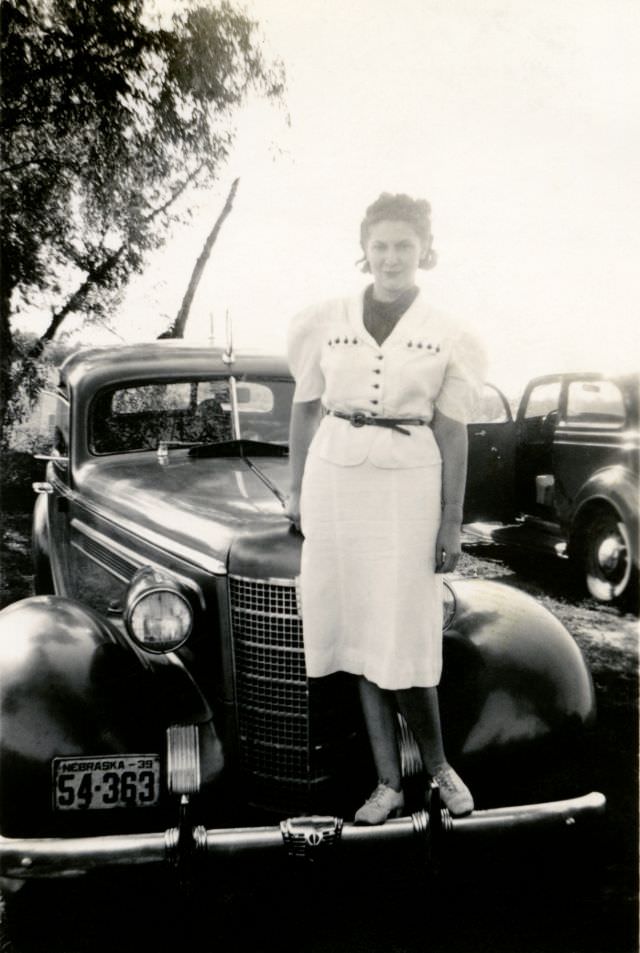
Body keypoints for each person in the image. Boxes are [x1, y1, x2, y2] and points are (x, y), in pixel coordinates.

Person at [285, 193, 486, 824]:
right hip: (336, 480)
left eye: (404, 245)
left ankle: (439, 767)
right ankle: (386, 783)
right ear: (364, 249)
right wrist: (296, 492)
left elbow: (453, 431)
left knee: (403, 629)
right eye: (381, 245)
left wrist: (451, 518)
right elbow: (305, 409)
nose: (392, 257)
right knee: (358, 634)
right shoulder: (323, 318)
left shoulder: (453, 334)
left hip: (409, 484)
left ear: (424, 251)